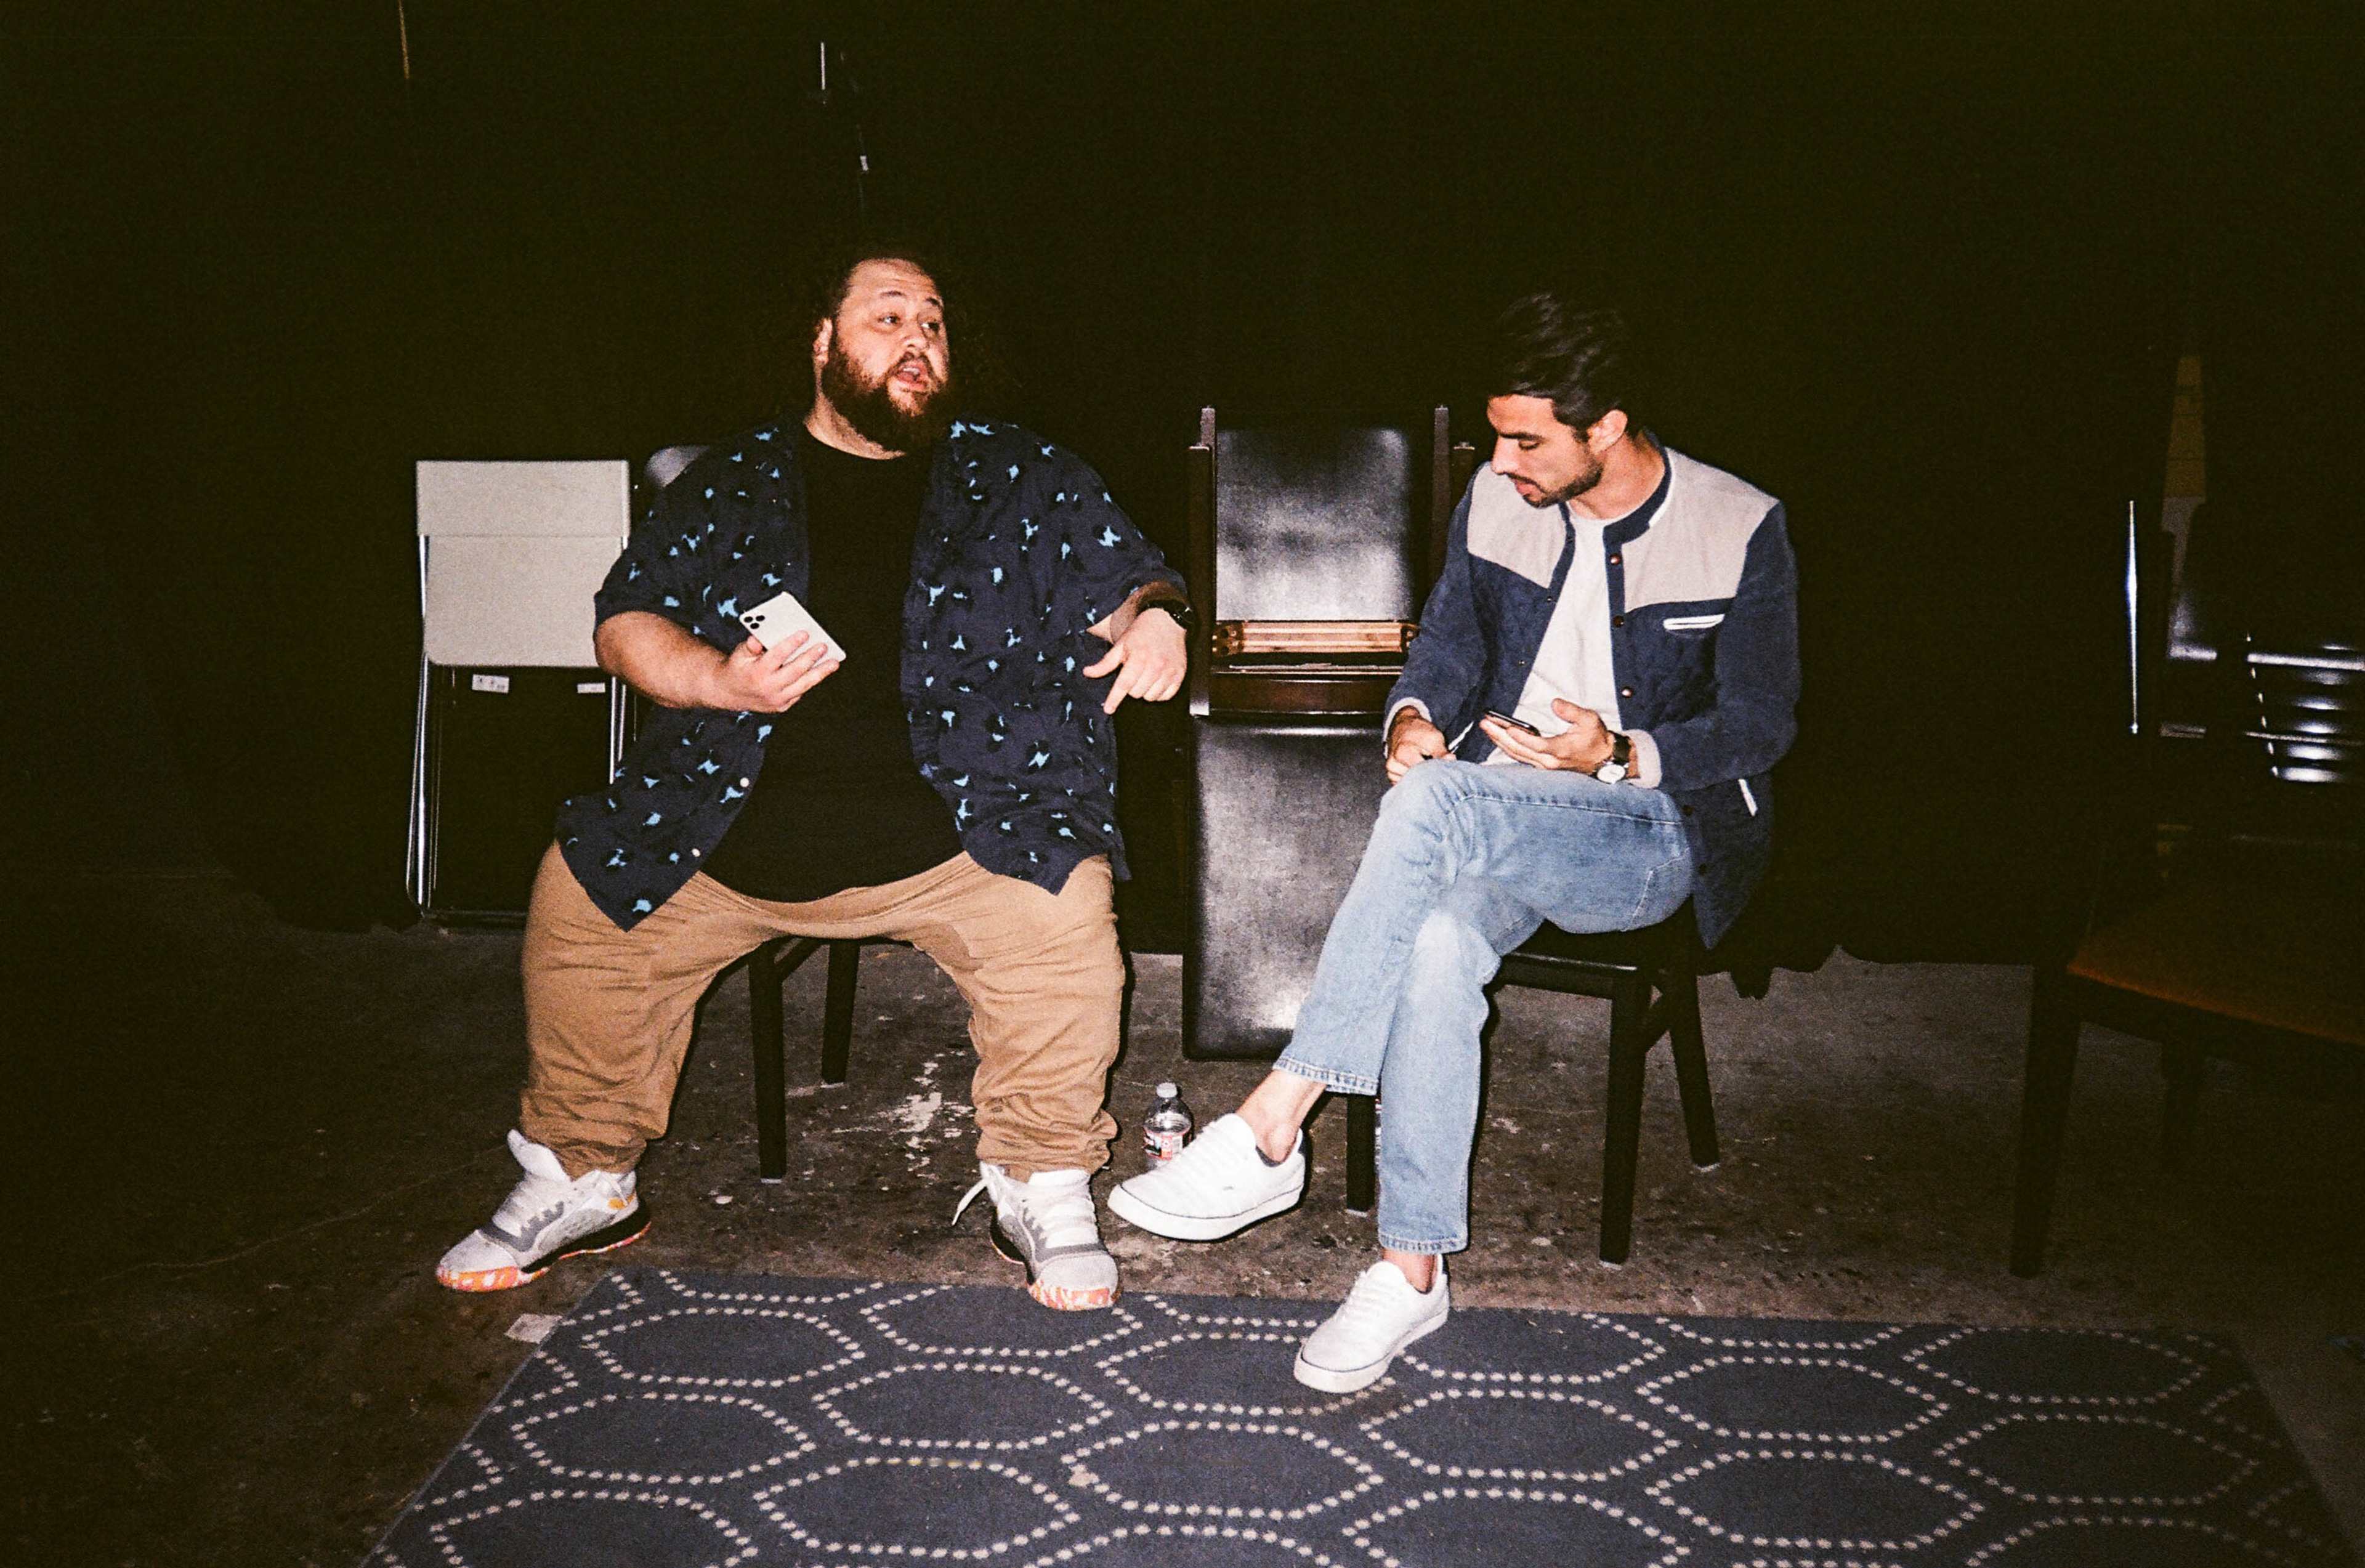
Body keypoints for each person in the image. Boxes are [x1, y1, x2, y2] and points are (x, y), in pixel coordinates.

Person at [437, 244, 1189, 1311]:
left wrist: (1155, 618)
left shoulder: (1019, 472)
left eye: (933, 323)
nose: (920, 341)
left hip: (970, 829)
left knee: (1068, 913)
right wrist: (718, 681)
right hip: (725, 828)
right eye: (889, 319)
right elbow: (623, 623)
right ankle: (583, 1174)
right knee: (583, 888)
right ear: (824, 343)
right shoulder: (734, 480)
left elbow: (1127, 573)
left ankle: (1042, 1177)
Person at [1110, 295, 1798, 1384]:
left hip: (1646, 828)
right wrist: (1414, 719)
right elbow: (1447, 639)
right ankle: (1412, 1274)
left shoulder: (1739, 524)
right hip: (1493, 802)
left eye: (1529, 440)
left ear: (1606, 429)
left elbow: (1761, 726)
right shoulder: (1497, 495)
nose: (1505, 461)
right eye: (1498, 434)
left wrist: (1616, 752)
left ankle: (1276, 1119)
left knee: (1433, 810)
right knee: (1433, 938)